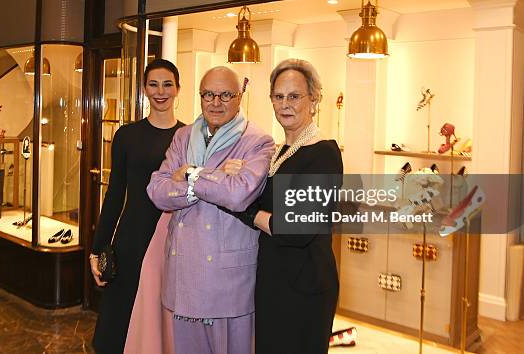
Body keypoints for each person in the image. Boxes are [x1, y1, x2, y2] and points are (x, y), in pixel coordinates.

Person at [146, 66, 275, 354]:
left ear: (240, 96)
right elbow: (157, 190)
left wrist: (191, 173)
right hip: (183, 275)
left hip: (227, 282)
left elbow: (239, 194)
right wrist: (216, 178)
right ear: (200, 96)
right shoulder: (183, 136)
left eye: (226, 95)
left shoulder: (258, 141)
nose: (216, 103)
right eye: (208, 95)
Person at [231, 59, 343, 354]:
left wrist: (249, 212)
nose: (285, 104)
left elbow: (297, 229)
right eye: (278, 96)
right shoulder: (279, 151)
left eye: (294, 96)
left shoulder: (323, 153)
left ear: (314, 99)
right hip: (272, 279)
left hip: (305, 287)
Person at [90, 59, 184, 354]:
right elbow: (115, 194)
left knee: (162, 316)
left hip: (173, 239)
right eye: (153, 84)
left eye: (167, 84)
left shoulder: (189, 136)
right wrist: (98, 247)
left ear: (178, 89)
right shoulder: (126, 136)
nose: (160, 91)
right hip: (131, 239)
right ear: (144, 89)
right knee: (121, 319)